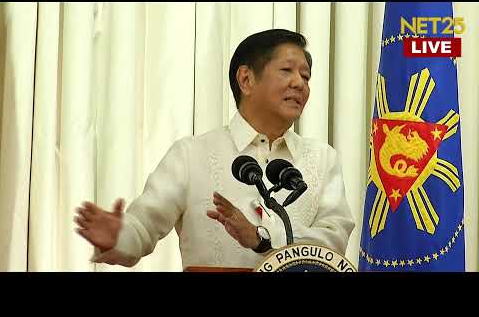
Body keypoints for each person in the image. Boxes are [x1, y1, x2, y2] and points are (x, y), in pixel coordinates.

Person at [74, 29, 355, 269]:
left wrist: (263, 238)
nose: (299, 83)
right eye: (287, 70)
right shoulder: (191, 154)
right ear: (245, 79)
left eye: (305, 76)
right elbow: (143, 227)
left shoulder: (322, 159)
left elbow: (333, 242)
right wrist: (118, 235)